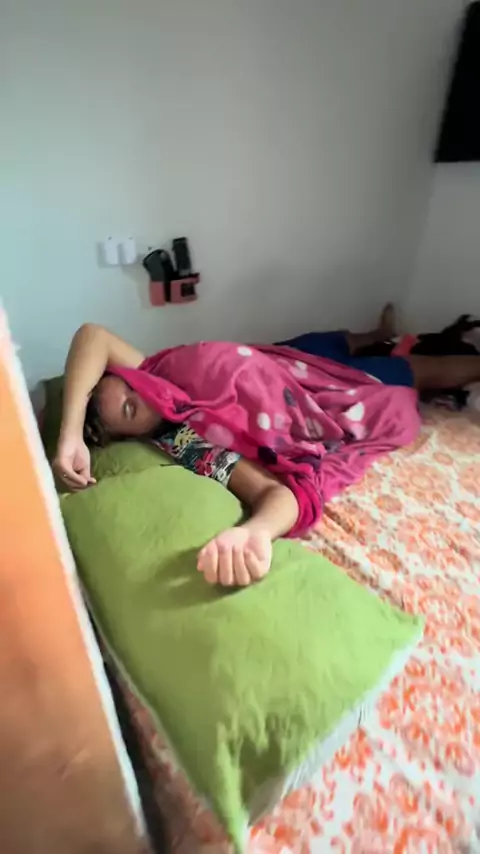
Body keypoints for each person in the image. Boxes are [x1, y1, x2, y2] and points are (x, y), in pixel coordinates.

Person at [53, 308, 480, 589]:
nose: (144, 393)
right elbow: (279, 493)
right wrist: (256, 531)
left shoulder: (154, 375)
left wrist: (69, 435)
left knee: (325, 341)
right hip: (320, 398)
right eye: (131, 408)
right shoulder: (188, 441)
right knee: (409, 370)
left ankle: (378, 333)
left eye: (131, 385)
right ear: (130, 435)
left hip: (288, 364)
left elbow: (93, 335)